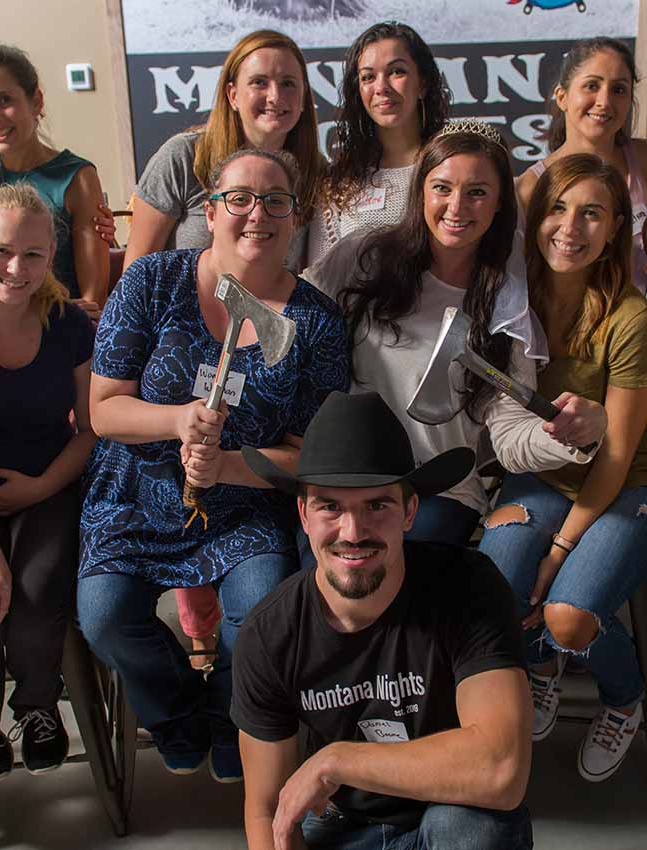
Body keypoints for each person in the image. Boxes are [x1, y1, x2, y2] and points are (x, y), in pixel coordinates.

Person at [77, 148, 349, 783]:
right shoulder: (151, 282)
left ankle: (232, 716)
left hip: (245, 503)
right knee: (105, 616)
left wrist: (227, 466)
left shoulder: (316, 322)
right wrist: (175, 421)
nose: (258, 215)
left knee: (258, 613)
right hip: (135, 493)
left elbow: (309, 454)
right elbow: (103, 409)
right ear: (211, 210)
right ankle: (176, 715)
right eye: (240, 199)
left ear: (295, 215)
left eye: (275, 200)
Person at [231, 390, 534, 850]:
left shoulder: (469, 587)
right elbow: (267, 810)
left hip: (450, 810)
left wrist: (336, 761)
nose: (353, 534)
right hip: (343, 823)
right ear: (304, 514)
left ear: (409, 512)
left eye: (377, 506)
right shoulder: (270, 632)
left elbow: (500, 768)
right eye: (330, 506)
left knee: (476, 832)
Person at [303, 124, 607, 545]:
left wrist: (571, 435)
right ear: (421, 192)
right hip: (348, 475)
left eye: (477, 192)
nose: (457, 206)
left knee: (407, 576)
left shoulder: (505, 305)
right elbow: (295, 312)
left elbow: (511, 440)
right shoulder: (363, 257)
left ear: (501, 203)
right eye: (442, 187)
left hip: (438, 491)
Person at [480, 154, 647, 782]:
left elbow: (619, 454)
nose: (570, 227)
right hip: (543, 476)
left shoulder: (630, 318)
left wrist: (558, 551)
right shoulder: (510, 295)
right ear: (533, 215)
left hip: (625, 484)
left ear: (615, 229)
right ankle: (543, 669)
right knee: (497, 593)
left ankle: (622, 697)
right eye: (557, 207)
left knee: (566, 615)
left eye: (591, 214)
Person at [0, 183, 96, 784]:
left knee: (41, 585)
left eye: (33, 256)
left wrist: (38, 489)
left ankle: (40, 708)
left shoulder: (68, 324)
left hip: (45, 480)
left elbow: (91, 430)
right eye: (0, 252)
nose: (16, 270)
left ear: (52, 254)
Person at [123, 29, 321, 274]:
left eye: (288, 83)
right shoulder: (184, 156)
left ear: (303, 98)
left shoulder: (317, 173)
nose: (275, 96)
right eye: (259, 82)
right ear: (233, 95)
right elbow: (134, 275)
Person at [0, 44, 109, 311]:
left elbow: (93, 302)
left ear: (36, 102)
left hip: (46, 334)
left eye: (5, 100)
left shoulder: (78, 178)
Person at [307, 21, 450, 264]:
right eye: (368, 77)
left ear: (423, 84)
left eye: (397, 72)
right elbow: (319, 280)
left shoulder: (453, 165)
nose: (381, 87)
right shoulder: (339, 183)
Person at [517, 37, 647, 294]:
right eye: (591, 86)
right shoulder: (529, 187)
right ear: (562, 97)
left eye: (618, 89)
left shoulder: (643, 159)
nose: (604, 101)